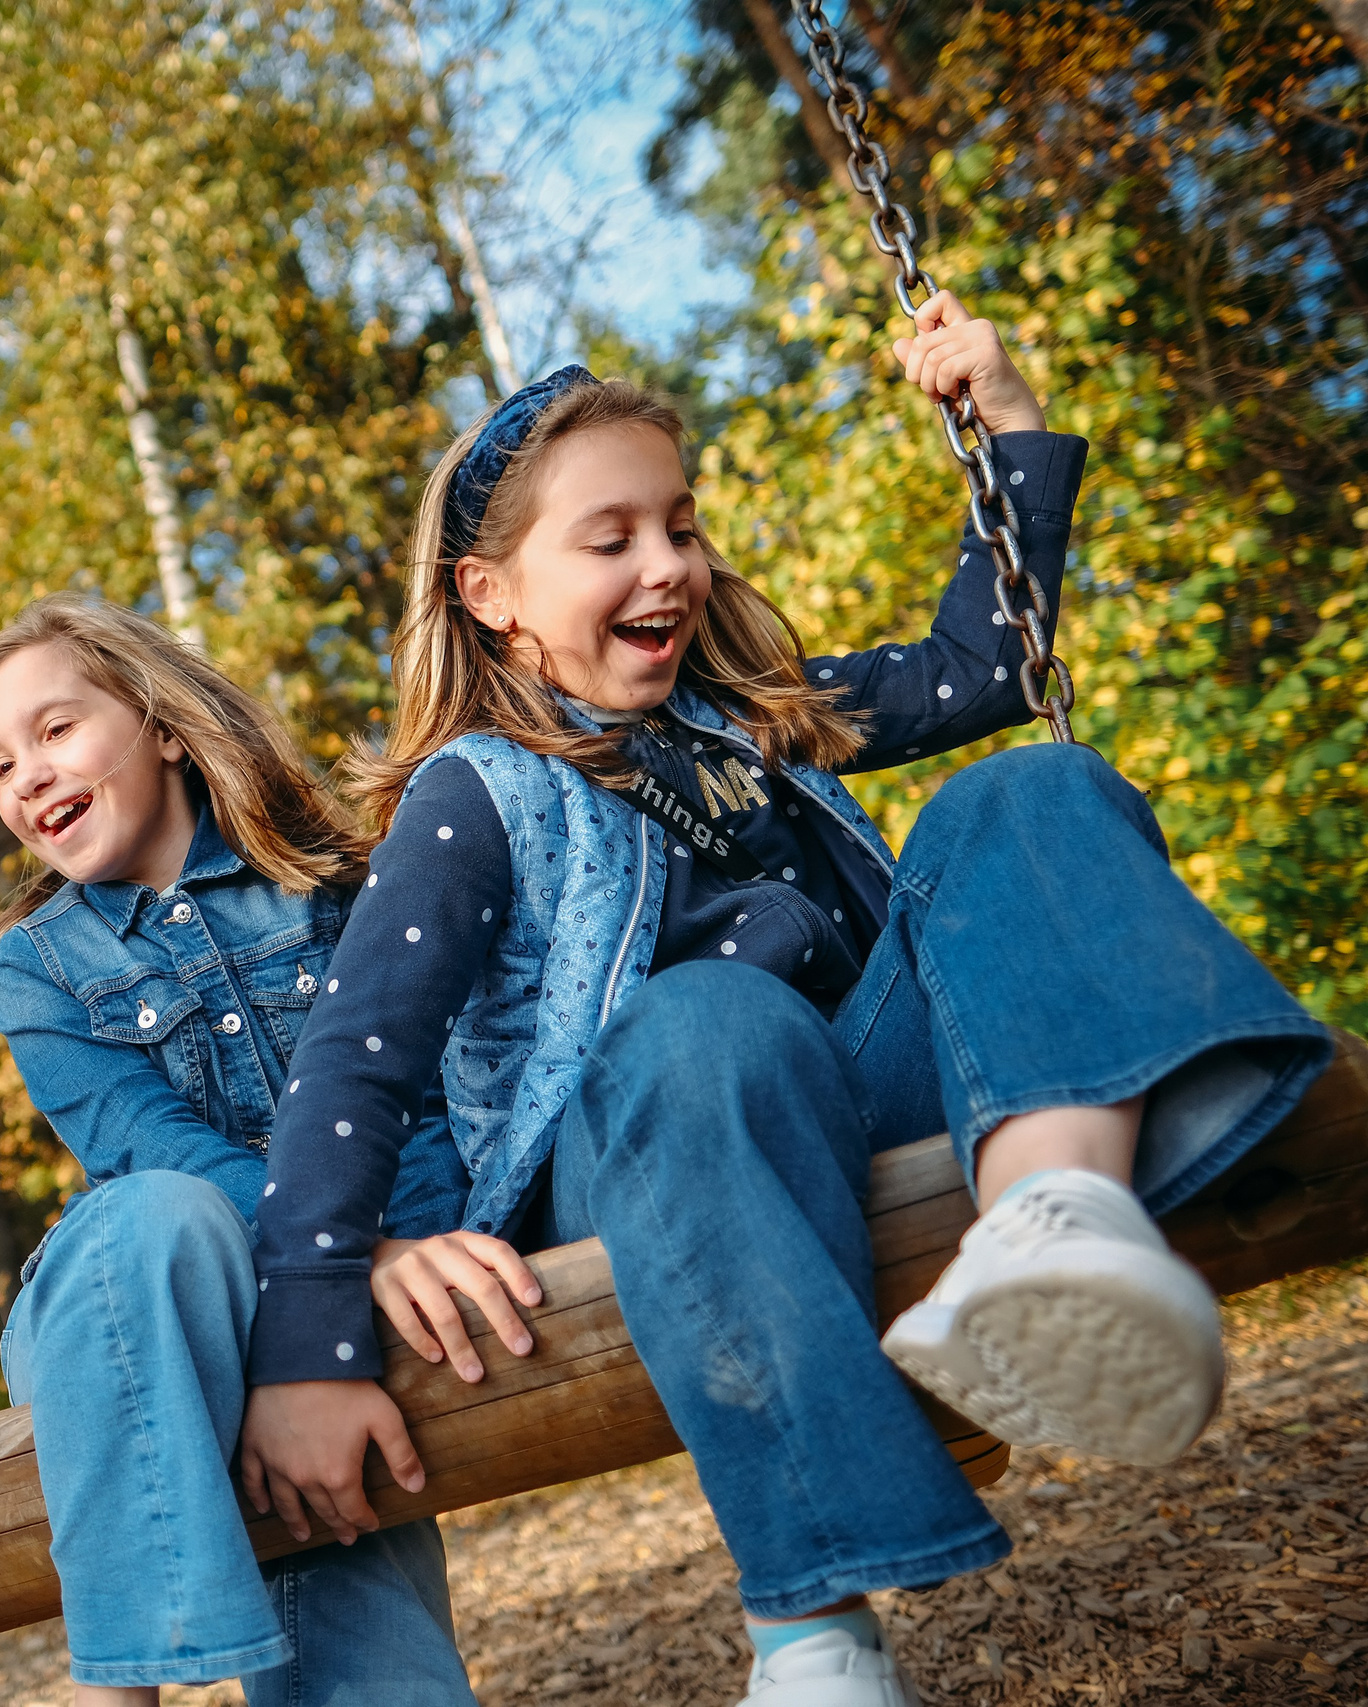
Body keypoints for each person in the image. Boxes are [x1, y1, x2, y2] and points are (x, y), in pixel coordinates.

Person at [233, 296, 1333, 1707]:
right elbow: (356, 1061)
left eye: (680, 525)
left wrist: (1003, 415)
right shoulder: (476, 795)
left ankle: (1058, 1220)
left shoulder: (751, 710)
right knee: (708, 1020)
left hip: (870, 1088)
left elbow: (987, 670)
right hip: (667, 1146)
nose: (668, 564)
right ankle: (816, 1630)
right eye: (611, 537)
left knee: (1026, 789)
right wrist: (309, 1336)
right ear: (488, 593)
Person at [0, 595, 532, 1707]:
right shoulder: (37, 965)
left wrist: (378, 1263)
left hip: (293, 1323)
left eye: (53, 730)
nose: (24, 776)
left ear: (163, 725)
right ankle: (120, 1691)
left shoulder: (333, 878)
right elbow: (143, 1147)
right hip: (128, 1316)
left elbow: (419, 1102)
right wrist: (346, 1255)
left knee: (359, 1603)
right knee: (160, 1211)